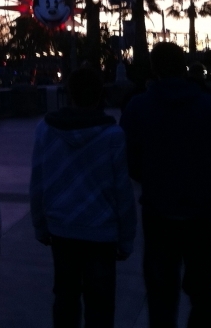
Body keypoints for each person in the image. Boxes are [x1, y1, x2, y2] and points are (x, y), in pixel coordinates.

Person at [119, 42, 211, 328]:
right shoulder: (209, 105)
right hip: (199, 210)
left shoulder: (138, 107)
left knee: (160, 293)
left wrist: (151, 178)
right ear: (183, 66)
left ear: (154, 68)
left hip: (158, 209)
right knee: (203, 289)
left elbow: (128, 158)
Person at [31, 67, 136, 328]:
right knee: (100, 304)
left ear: (69, 93)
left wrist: (40, 224)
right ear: (100, 94)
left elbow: (38, 182)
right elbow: (122, 190)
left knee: (65, 298)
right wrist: (126, 237)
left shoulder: (45, 130)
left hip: (62, 227)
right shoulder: (112, 135)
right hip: (101, 231)